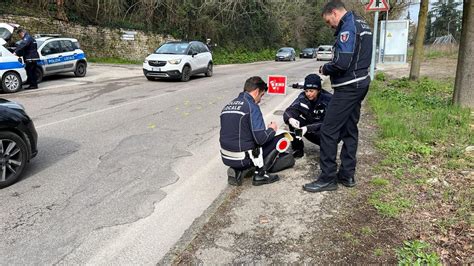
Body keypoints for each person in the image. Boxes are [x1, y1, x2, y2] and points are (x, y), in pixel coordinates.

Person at [303, 0, 373, 193]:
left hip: (348, 87)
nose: (330, 26)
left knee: (328, 130)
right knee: (350, 129)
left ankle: (327, 178)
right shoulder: (361, 23)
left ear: (334, 13)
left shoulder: (348, 27)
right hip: (360, 83)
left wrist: (325, 68)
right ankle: (347, 174)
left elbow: (342, 62)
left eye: (328, 21)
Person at [220, 76, 294, 186]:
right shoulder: (252, 106)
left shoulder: (227, 106)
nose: (260, 100)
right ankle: (260, 174)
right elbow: (261, 138)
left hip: (226, 156)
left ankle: (237, 170)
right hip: (244, 157)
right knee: (281, 137)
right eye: (261, 95)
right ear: (257, 91)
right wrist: (272, 129)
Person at [283, 74, 332, 158]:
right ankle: (298, 149)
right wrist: (290, 119)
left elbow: (328, 122)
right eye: (306, 91)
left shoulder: (328, 99)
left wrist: (307, 128)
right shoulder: (302, 98)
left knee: (327, 155)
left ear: (319, 90)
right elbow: (289, 110)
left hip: (324, 132)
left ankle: (327, 149)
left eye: (311, 91)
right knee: (294, 119)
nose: (308, 94)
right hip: (308, 129)